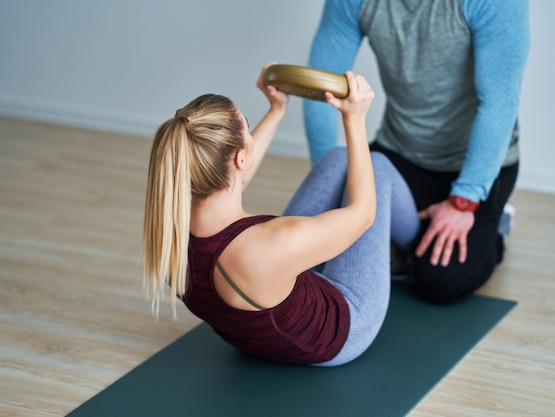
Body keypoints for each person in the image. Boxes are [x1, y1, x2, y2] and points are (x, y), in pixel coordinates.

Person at [142, 64, 420, 366]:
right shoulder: (272, 243)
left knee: (339, 159)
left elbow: (235, 177)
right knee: (377, 166)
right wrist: (355, 119)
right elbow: (363, 215)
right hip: (341, 332)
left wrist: (277, 109)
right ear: (240, 158)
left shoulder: (167, 232)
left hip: (256, 333)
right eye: (247, 127)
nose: (250, 134)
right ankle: (424, 244)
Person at [304, 0, 530, 304]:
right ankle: (412, 234)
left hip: (474, 165)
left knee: (439, 282)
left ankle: (496, 228)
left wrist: (466, 200)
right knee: (322, 250)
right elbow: (321, 89)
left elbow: (500, 104)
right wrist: (330, 185)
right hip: (399, 151)